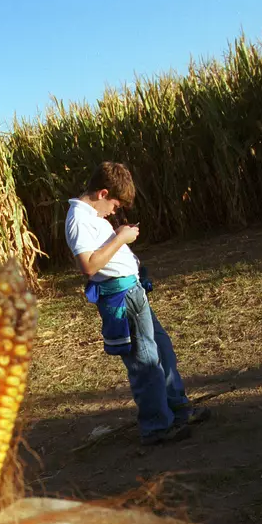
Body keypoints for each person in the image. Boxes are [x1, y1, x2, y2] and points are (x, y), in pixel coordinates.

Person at [64, 161, 210, 445]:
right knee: (145, 361)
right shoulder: (78, 219)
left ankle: (178, 408)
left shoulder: (93, 215)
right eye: (115, 205)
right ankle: (156, 426)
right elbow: (88, 266)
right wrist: (121, 238)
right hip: (121, 300)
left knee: (161, 350)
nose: (115, 211)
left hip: (134, 293)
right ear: (103, 193)